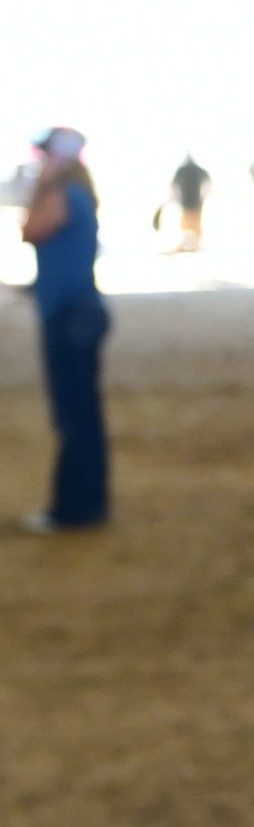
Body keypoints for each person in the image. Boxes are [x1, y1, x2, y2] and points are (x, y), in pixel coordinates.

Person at [19, 127, 110, 533]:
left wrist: (40, 187)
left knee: (74, 417)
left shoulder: (60, 194)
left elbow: (31, 230)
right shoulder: (79, 194)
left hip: (69, 316)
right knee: (84, 414)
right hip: (80, 312)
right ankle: (87, 502)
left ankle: (75, 508)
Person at [169, 151, 209, 251]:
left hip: (186, 201)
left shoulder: (181, 170)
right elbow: (208, 183)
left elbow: (173, 185)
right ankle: (193, 245)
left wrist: (174, 198)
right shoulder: (199, 170)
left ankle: (189, 245)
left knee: (187, 224)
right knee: (194, 224)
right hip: (196, 202)